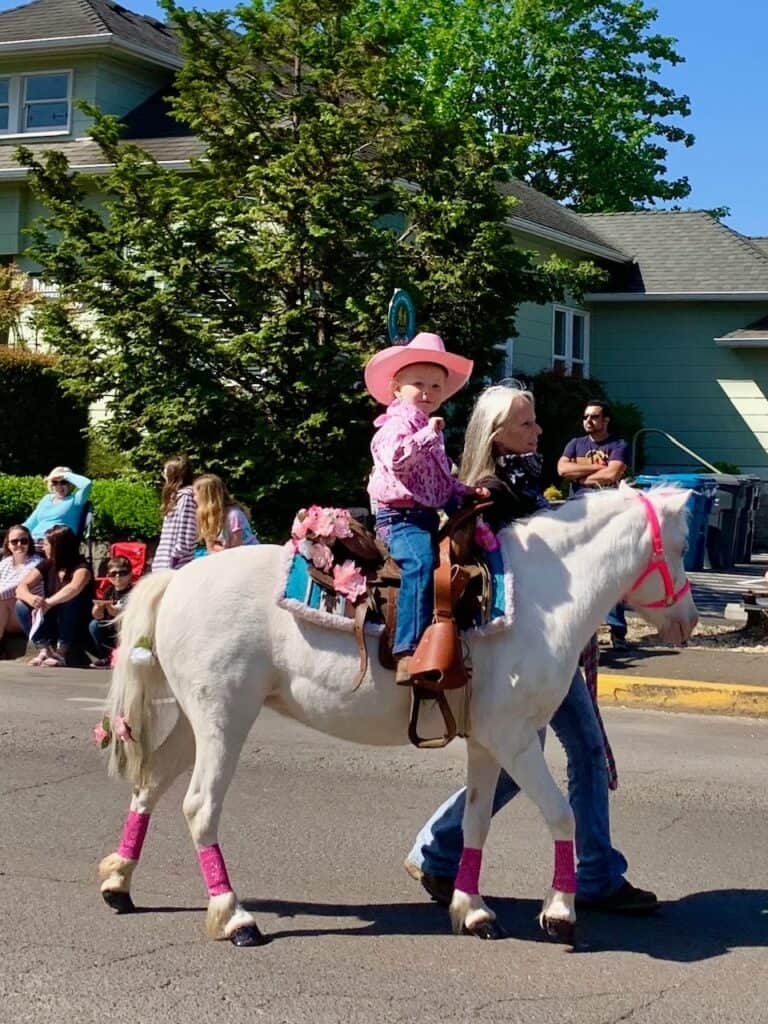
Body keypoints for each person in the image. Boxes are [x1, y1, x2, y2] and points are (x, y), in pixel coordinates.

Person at [404, 384, 657, 914]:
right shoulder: (491, 493)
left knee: (578, 753)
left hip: (551, 652)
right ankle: (442, 850)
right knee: (528, 758)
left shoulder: (523, 483)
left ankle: (593, 872)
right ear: (499, 436)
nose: (539, 431)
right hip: (523, 661)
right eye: (527, 424)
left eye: (536, 421)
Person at [364, 332, 488, 685]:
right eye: (417, 384)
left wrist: (467, 491)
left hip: (425, 515)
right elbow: (398, 461)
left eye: (436, 386)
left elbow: (437, 482)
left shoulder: (424, 426)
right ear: (396, 387)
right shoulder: (396, 424)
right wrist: (428, 437)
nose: (427, 392)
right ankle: (407, 650)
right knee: (419, 564)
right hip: (399, 518)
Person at [557, 401, 631, 649]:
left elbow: (613, 474)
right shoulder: (575, 443)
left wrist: (581, 474)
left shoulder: (618, 445)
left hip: (607, 515)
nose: (589, 421)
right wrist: (596, 468)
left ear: (606, 420)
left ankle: (617, 630)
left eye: (595, 417)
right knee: (576, 570)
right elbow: (562, 469)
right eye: (586, 416)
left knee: (610, 571)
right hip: (577, 514)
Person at [15, 525, 93, 667]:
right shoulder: (47, 564)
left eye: (46, 544)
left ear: (58, 547)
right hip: (53, 620)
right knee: (21, 604)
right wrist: (31, 599)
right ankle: (44, 650)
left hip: (75, 622)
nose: (43, 548)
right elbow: (21, 587)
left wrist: (48, 603)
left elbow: (73, 588)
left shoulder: (82, 567)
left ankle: (61, 652)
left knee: (70, 599)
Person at [24, 467, 92, 550]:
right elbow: (30, 524)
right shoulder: (46, 499)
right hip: (33, 541)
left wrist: (65, 475)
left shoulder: (76, 500)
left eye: (63, 482)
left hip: (56, 544)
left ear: (71, 484)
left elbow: (87, 484)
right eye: (55, 482)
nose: (59, 486)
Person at [0, 525, 43, 651]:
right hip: (8, 616)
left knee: (1, 603)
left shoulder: (36, 563)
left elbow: (15, 589)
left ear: (29, 543)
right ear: (8, 544)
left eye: (24, 541)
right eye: (14, 541)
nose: (19, 544)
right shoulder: (5, 563)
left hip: (27, 615)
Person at [152, 455, 198, 571]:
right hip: (163, 564)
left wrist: (175, 559)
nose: (163, 474)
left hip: (175, 566)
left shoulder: (186, 498)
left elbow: (186, 535)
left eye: (165, 471)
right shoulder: (174, 498)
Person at [193, 474, 260, 553]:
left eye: (195, 495)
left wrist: (220, 550)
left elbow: (236, 550)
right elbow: (211, 547)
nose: (193, 498)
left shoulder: (233, 515)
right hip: (227, 553)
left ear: (206, 497)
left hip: (249, 554)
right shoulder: (207, 517)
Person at [89, 554, 133, 667]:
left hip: (126, 625)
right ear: (108, 576)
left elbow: (118, 613)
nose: (117, 576)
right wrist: (98, 608)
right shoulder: (109, 591)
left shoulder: (133, 591)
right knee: (94, 625)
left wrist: (108, 607)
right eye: (113, 574)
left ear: (130, 574)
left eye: (122, 573)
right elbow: (97, 616)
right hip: (111, 625)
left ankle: (120, 655)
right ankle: (106, 656)